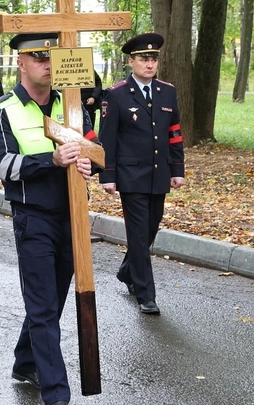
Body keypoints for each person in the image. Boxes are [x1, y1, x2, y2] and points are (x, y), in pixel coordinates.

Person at [0, 33, 98, 405]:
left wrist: (88, 164)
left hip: (74, 217)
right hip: (34, 219)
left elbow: (95, 154)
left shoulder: (73, 106)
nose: (46, 64)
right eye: (37, 57)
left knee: (51, 302)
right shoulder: (1, 111)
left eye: (52, 57)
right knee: (45, 309)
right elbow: (2, 165)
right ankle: (57, 396)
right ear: (20, 62)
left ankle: (25, 360)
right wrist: (50, 160)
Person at [98, 33, 185, 315]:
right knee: (137, 234)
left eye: (153, 59)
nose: (149, 64)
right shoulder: (116, 94)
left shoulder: (167, 91)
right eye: (144, 59)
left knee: (149, 229)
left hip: (159, 174)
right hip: (131, 176)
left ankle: (127, 271)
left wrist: (177, 169)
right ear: (131, 61)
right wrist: (107, 175)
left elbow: (174, 134)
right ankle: (146, 294)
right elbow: (107, 139)